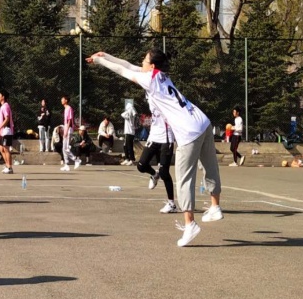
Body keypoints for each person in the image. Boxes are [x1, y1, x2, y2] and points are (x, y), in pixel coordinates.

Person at [88, 49, 223, 247]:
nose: (141, 61)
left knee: (184, 178)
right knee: (210, 166)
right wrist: (106, 56)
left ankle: (190, 224)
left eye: (144, 59)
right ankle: (215, 206)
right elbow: (128, 65)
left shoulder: (149, 80)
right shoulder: (160, 75)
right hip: (202, 121)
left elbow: (124, 71)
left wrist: (101, 62)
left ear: (152, 66)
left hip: (188, 131)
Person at [137, 107, 178, 213]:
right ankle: (154, 175)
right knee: (141, 166)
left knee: (164, 172)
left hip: (166, 139)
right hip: (153, 138)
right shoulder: (151, 99)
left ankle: (171, 204)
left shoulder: (167, 100)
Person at [0, 91, 16, 175]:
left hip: (6, 130)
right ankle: (7, 165)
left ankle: (10, 167)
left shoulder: (5, 106)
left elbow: (7, 119)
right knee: (1, 149)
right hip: (3, 132)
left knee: (6, 149)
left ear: (3, 97)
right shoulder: (2, 106)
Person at [59, 95, 77, 171]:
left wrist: (66, 131)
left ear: (66, 100)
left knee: (66, 148)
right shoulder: (65, 109)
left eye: (62, 99)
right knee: (64, 148)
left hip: (68, 129)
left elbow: (69, 120)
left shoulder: (69, 108)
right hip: (66, 128)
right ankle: (66, 165)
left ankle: (76, 159)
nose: (61, 100)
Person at [121, 101, 138, 165]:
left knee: (129, 146)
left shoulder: (130, 113)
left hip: (130, 132)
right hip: (128, 132)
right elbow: (123, 114)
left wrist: (130, 110)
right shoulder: (128, 114)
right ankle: (127, 158)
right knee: (125, 146)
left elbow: (122, 114)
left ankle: (132, 159)